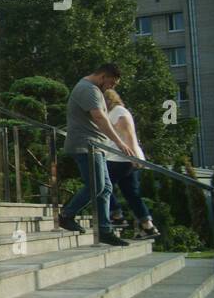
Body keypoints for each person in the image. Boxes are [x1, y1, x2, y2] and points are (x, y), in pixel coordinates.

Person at [57, 63, 137, 246]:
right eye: (112, 83)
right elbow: (99, 117)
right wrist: (119, 142)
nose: (112, 87)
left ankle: (104, 230)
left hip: (96, 146)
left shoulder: (93, 89)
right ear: (102, 76)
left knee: (106, 188)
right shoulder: (88, 90)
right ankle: (66, 214)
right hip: (86, 145)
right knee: (96, 186)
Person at [103, 89, 160, 238]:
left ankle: (116, 215)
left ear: (107, 100)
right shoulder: (115, 112)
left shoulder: (118, 112)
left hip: (121, 159)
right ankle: (148, 227)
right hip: (126, 158)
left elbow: (129, 133)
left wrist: (134, 156)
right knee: (131, 194)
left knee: (100, 185)